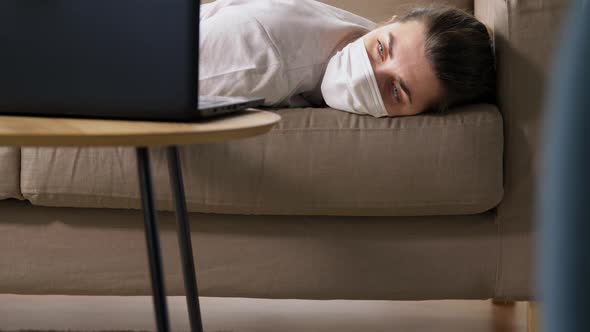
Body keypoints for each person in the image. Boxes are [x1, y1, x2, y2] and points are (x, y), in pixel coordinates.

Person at [199, 0, 495, 117]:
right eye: (381, 49)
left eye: (396, 90)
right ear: (386, 23)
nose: (367, 75)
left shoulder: (350, 32)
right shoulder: (262, 58)